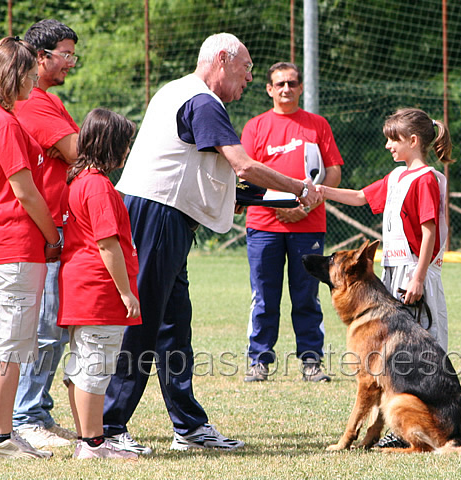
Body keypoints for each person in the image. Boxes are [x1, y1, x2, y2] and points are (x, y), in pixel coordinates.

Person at [103, 32, 323, 455]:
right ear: (222, 59)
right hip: (157, 216)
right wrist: (299, 187)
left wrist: (230, 198)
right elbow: (242, 163)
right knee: (144, 324)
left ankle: (188, 426)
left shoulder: (178, 91)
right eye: (247, 68)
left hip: (164, 216)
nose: (249, 78)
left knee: (173, 325)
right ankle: (109, 429)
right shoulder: (203, 100)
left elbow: (201, 166)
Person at [316, 107, 453, 448]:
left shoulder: (425, 178)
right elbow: (362, 197)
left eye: (393, 140)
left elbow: (429, 232)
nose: (389, 147)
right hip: (393, 275)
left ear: (412, 140)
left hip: (414, 273)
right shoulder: (397, 177)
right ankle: (387, 427)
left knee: (420, 352)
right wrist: (321, 191)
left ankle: (421, 427)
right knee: (389, 359)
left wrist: (419, 277)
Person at [0, 36, 61, 459]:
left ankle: (5, 433)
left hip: (2, 243)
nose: (33, 79)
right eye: (28, 72)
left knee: (14, 344)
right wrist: (52, 234)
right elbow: (24, 191)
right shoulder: (1, 121)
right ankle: (0, 438)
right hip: (12, 244)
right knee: (8, 346)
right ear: (15, 74)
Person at [241, 62, 343, 383]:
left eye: (292, 83)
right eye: (279, 84)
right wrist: (276, 207)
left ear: (300, 87)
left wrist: (304, 207)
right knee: (264, 295)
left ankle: (311, 361)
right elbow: (246, 174)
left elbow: (333, 172)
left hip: (308, 224)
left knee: (307, 295)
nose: (286, 89)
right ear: (269, 89)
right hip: (263, 225)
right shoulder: (256, 127)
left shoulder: (317, 125)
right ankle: (259, 360)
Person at [12, 19, 80, 448]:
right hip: (45, 228)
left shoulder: (51, 101)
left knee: (54, 326)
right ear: (41, 57)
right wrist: (68, 148)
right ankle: (26, 417)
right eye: (66, 54)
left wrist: (70, 148)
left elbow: (75, 152)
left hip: (60, 224)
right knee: (44, 329)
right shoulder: (35, 102)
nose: (72, 62)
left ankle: (37, 410)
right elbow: (78, 152)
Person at [58, 108, 141, 460]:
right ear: (112, 145)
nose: (127, 151)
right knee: (96, 366)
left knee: (80, 366)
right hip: (99, 290)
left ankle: (85, 439)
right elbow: (107, 243)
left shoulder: (79, 180)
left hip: (78, 289)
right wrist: (126, 292)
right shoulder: (98, 186)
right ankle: (94, 443)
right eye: (125, 144)